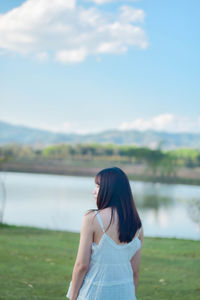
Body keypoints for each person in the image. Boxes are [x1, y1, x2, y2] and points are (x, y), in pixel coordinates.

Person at [66, 166, 144, 300]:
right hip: (126, 294)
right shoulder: (137, 224)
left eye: (97, 186)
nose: (93, 191)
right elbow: (135, 271)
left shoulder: (92, 219)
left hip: (94, 293)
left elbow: (81, 265)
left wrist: (73, 297)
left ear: (109, 189)